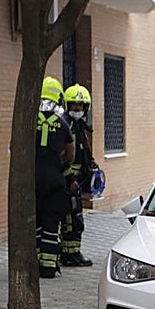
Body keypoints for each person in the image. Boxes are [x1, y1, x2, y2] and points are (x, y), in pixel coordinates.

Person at [35, 76, 75, 279]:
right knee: (51, 223)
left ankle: (34, 261)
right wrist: (63, 164)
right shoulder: (62, 124)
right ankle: (49, 266)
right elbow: (70, 152)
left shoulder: (29, 121)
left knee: (35, 222)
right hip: (54, 180)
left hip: (32, 180)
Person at [61, 84, 95, 267]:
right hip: (67, 181)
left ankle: (69, 252)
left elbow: (83, 151)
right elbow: (64, 155)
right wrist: (70, 178)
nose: (77, 108)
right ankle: (71, 254)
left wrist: (91, 164)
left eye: (81, 105)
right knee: (72, 219)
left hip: (77, 181)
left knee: (73, 218)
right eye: (74, 105)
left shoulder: (80, 126)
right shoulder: (66, 126)